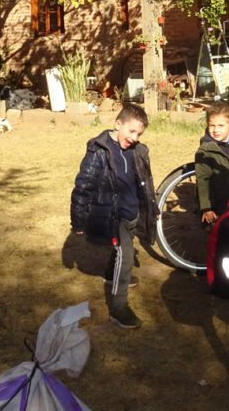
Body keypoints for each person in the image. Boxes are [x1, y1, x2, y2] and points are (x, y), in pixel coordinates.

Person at [69, 102, 157, 329]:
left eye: (139, 133)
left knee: (122, 252)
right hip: (111, 214)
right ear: (118, 124)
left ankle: (112, 274)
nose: (135, 137)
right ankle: (119, 308)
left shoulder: (138, 151)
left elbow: (145, 182)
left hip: (131, 214)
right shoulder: (99, 151)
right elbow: (83, 186)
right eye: (131, 131)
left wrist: (149, 208)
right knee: (126, 256)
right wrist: (78, 219)